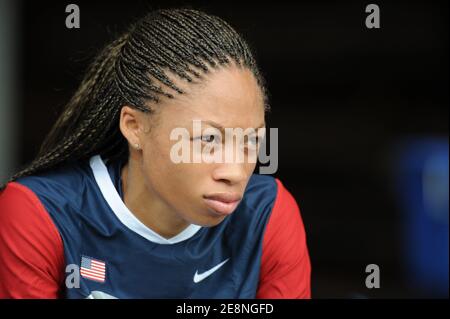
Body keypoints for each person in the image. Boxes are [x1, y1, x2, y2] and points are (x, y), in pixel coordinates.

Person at [0, 8, 311, 299]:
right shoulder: (40, 214)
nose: (236, 172)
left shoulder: (266, 215)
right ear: (135, 127)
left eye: (251, 141)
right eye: (208, 139)